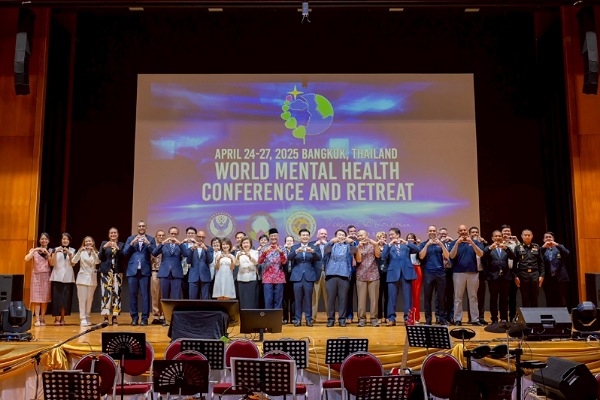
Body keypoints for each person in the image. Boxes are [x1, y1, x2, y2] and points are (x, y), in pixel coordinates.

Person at [381, 228, 420, 326]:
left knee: (407, 297)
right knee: (391, 297)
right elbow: (383, 256)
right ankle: (391, 318)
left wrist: (406, 242)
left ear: (398, 235)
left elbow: (417, 250)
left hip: (406, 273)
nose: (391, 236)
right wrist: (389, 245)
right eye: (390, 235)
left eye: (392, 234)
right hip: (393, 273)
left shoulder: (405, 245)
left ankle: (407, 318)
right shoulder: (388, 246)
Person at [324, 229, 361, 327]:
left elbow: (355, 250)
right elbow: (325, 250)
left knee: (343, 299)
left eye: (342, 235)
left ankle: (342, 319)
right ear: (335, 236)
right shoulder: (332, 245)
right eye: (339, 235)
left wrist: (352, 242)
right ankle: (330, 319)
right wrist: (331, 242)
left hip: (344, 275)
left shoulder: (348, 246)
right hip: (331, 274)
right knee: (331, 299)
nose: (341, 236)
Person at [123, 220, 156, 326]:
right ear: (137, 228)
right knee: (133, 295)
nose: (141, 227)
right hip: (132, 270)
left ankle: (145, 318)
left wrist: (148, 243)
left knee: (145, 295)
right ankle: (134, 318)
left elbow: (155, 252)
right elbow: (124, 252)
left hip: (145, 270)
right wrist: (132, 243)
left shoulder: (151, 239)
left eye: (143, 226)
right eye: (139, 226)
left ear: (145, 227)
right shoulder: (130, 238)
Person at [449, 225, 484, 326]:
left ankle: (475, 319)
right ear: (458, 232)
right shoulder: (454, 243)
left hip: (473, 273)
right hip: (458, 273)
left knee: (473, 297)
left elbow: (481, 254)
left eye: (464, 230)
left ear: (467, 231)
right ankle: (457, 319)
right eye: (461, 230)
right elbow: (451, 256)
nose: (463, 232)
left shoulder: (476, 242)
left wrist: (472, 243)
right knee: (458, 297)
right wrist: (457, 243)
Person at [288, 229, 321, 326]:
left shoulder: (314, 247)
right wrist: (296, 252)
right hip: (297, 276)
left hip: (309, 276)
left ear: (309, 237)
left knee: (308, 299)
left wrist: (313, 252)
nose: (305, 237)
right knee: (297, 300)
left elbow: (319, 258)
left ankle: (308, 319)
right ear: (299, 237)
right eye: (303, 235)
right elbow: (288, 258)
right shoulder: (294, 247)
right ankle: (297, 319)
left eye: (307, 235)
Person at [482, 230, 515, 323]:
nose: (498, 238)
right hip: (493, 277)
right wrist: (489, 249)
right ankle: (494, 319)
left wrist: (506, 249)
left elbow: (513, 257)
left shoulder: (506, 248)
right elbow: (483, 258)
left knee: (504, 299)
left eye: (499, 236)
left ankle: (504, 318)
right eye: (496, 236)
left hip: (505, 277)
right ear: (492, 238)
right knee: (493, 299)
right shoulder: (488, 248)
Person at [419, 226, 449, 325]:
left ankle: (442, 318)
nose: (432, 232)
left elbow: (447, 256)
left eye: (434, 231)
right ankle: (428, 319)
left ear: (437, 232)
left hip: (440, 272)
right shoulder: (423, 244)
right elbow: (421, 256)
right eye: (430, 231)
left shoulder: (440, 243)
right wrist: (427, 245)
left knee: (441, 297)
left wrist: (441, 244)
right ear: (427, 232)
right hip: (428, 273)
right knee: (427, 297)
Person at [152, 226, 187, 306]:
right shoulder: (164, 245)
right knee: (165, 297)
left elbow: (186, 254)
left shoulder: (180, 245)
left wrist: (180, 244)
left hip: (176, 274)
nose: (173, 235)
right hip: (165, 273)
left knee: (176, 297)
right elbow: (154, 253)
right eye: (172, 234)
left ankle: (175, 313)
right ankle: (165, 313)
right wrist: (162, 243)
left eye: (175, 234)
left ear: (177, 235)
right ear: (168, 234)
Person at [24, 232, 53, 326]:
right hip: (36, 276)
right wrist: (34, 250)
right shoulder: (34, 250)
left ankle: (42, 318)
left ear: (48, 241)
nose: (44, 240)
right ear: (39, 240)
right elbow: (26, 259)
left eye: (46, 239)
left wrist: (47, 253)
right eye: (42, 239)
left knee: (44, 298)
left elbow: (52, 263)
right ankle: (37, 319)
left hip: (46, 275)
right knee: (36, 298)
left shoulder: (51, 250)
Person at [98, 227, 124, 326]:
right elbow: (100, 257)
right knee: (105, 293)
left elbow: (123, 257)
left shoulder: (121, 244)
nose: (113, 234)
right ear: (109, 235)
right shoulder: (104, 243)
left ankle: (115, 316)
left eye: (115, 233)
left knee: (117, 293)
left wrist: (117, 248)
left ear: (118, 234)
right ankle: (105, 317)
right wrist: (104, 247)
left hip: (117, 272)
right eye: (111, 233)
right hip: (106, 272)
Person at [73, 236, 101, 327]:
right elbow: (74, 261)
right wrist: (79, 251)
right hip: (82, 278)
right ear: (84, 243)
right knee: (82, 300)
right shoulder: (81, 252)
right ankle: (82, 318)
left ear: (93, 243)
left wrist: (93, 252)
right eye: (86, 241)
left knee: (89, 299)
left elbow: (97, 262)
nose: (88, 243)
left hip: (92, 278)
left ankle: (87, 316)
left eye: (90, 241)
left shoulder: (96, 252)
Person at [49, 232, 76, 326]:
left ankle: (62, 318)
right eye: (64, 239)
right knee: (57, 299)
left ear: (69, 241)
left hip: (68, 277)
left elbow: (73, 264)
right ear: (61, 240)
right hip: (57, 277)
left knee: (65, 299)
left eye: (67, 239)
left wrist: (70, 254)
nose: (65, 240)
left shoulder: (72, 250)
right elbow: (52, 263)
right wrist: (56, 253)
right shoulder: (55, 249)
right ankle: (56, 319)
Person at [514, 229, 544, 308]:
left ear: (532, 236)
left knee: (535, 296)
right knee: (525, 296)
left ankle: (535, 315)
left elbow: (541, 262)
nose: (527, 237)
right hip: (523, 274)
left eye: (529, 235)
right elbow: (514, 263)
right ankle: (526, 315)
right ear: (522, 236)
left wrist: (542, 275)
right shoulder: (518, 248)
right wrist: (515, 276)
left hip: (535, 274)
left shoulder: (536, 247)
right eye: (525, 235)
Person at [356, 229, 381, 327]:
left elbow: (378, 255)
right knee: (361, 299)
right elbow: (358, 260)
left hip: (373, 274)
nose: (360, 237)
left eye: (362, 235)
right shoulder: (357, 245)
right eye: (359, 236)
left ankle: (374, 318)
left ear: (367, 235)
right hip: (361, 274)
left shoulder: (373, 244)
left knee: (374, 299)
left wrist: (376, 245)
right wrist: (359, 248)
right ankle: (361, 319)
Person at [258, 228, 287, 309]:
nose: (273, 237)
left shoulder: (282, 248)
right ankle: (268, 316)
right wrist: (264, 253)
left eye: (275, 236)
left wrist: (281, 253)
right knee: (268, 300)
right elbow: (259, 261)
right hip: (267, 277)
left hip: (279, 277)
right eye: (272, 236)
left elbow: (284, 262)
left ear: (278, 237)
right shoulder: (264, 248)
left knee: (278, 300)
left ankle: (277, 317)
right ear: (269, 237)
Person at [541, 232, 570, 308]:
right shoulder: (542, 249)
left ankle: (562, 314)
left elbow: (567, 253)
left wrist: (557, 245)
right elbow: (536, 256)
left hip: (560, 277)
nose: (548, 238)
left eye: (550, 237)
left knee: (561, 298)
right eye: (546, 237)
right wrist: (543, 247)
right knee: (549, 298)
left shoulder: (559, 247)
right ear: (543, 240)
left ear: (553, 239)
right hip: (548, 278)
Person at [469, 226, 489, 324]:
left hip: (481, 272)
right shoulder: (468, 245)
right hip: (471, 272)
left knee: (481, 296)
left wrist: (485, 243)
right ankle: (471, 318)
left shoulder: (482, 245)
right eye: (473, 232)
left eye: (476, 232)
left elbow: (488, 253)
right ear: (469, 234)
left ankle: (481, 317)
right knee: (471, 296)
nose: (475, 234)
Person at [187, 229, 214, 299]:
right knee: (192, 297)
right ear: (196, 237)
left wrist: (206, 249)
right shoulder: (190, 248)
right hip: (193, 276)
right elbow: (188, 261)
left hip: (205, 275)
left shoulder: (209, 248)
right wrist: (192, 250)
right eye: (199, 237)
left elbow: (210, 260)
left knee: (205, 298)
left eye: (203, 237)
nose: (201, 239)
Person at [501, 225, 520, 321]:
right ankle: (503, 318)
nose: (507, 233)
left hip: (513, 272)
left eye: (508, 231)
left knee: (513, 297)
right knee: (503, 297)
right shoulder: (499, 243)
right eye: (505, 231)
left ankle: (512, 317)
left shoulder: (515, 243)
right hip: (503, 272)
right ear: (501, 233)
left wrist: (517, 241)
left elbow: (522, 252)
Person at [235, 236, 260, 309]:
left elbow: (256, 263)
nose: (245, 244)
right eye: (244, 243)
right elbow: (236, 264)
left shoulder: (255, 252)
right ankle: (243, 313)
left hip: (252, 277)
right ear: (241, 245)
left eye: (247, 243)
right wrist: (237, 257)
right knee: (243, 298)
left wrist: (250, 257)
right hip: (241, 277)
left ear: (250, 244)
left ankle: (252, 313)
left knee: (252, 297)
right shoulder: (239, 253)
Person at [310, 228, 328, 322]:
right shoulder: (312, 244)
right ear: (317, 235)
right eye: (321, 234)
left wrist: (327, 244)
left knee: (328, 297)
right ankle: (313, 317)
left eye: (325, 234)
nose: (323, 235)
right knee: (314, 297)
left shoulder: (330, 244)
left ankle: (330, 317)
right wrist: (314, 247)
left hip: (328, 273)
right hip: (316, 273)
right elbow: (309, 256)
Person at [438, 227, 455, 323]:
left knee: (450, 294)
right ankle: (439, 316)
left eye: (445, 233)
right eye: (442, 233)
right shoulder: (436, 244)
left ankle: (450, 316)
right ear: (438, 234)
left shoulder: (451, 243)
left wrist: (452, 241)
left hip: (450, 271)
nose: (443, 235)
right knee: (440, 295)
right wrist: (441, 243)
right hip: (440, 270)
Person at [150, 230, 166, 325]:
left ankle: (163, 315)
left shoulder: (166, 245)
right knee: (155, 294)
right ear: (156, 236)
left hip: (164, 272)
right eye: (159, 235)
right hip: (154, 271)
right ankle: (156, 315)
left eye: (163, 235)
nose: (161, 237)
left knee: (164, 294)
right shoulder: (152, 246)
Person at [406, 232, 422, 323]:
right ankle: (408, 317)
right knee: (408, 295)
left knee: (416, 294)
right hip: (407, 270)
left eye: (412, 238)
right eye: (408, 238)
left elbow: (420, 254)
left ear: (415, 239)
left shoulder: (418, 248)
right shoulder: (405, 248)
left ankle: (416, 317)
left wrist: (417, 244)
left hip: (417, 269)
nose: (410, 239)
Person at [345, 225, 359, 323]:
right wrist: (347, 240)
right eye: (351, 231)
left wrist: (356, 242)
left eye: (354, 231)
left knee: (360, 295)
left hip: (359, 270)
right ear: (348, 233)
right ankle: (349, 316)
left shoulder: (359, 242)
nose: (353, 233)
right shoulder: (345, 243)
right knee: (348, 294)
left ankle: (360, 317)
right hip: (348, 270)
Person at [375, 231, 389, 324]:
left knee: (387, 296)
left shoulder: (389, 247)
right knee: (378, 296)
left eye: (384, 237)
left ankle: (387, 316)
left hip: (387, 273)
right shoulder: (374, 247)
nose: (382, 239)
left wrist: (387, 245)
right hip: (377, 273)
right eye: (381, 237)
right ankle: (379, 316)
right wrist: (377, 245)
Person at [282, 235, 296, 324]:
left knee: (293, 298)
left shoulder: (296, 251)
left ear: (294, 242)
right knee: (285, 298)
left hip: (294, 276)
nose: (289, 242)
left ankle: (293, 318)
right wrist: (284, 250)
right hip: (284, 276)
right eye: (288, 241)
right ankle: (285, 318)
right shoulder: (282, 251)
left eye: (291, 241)